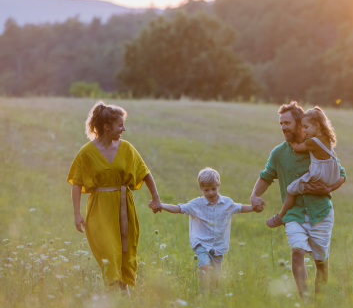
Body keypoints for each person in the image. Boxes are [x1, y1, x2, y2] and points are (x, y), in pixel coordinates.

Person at [250, 101, 347, 298]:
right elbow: (266, 176)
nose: (283, 127)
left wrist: (328, 188)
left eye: (287, 123)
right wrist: (254, 196)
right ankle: (304, 301)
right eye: (281, 124)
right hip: (293, 213)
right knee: (297, 251)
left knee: (321, 262)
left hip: (320, 212)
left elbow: (342, 174)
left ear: (299, 123)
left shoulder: (316, 146)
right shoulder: (278, 153)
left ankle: (318, 306)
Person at [68, 101, 162, 294]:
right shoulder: (86, 152)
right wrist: (77, 214)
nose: (124, 129)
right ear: (106, 127)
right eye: (120, 125)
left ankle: (124, 292)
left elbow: (145, 173)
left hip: (123, 206)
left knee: (125, 249)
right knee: (108, 251)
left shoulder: (127, 148)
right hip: (99, 209)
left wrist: (156, 198)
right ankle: (112, 293)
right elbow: (76, 183)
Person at [158, 167, 257, 294]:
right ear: (201, 189)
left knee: (216, 278)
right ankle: (203, 294)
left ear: (218, 186)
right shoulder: (196, 204)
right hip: (201, 243)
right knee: (205, 267)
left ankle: (214, 296)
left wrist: (254, 208)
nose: (210, 193)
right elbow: (178, 208)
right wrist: (161, 205)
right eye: (206, 190)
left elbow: (240, 208)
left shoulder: (227, 203)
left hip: (218, 246)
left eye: (213, 189)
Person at [266, 107, 339, 228]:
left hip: (317, 174)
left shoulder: (313, 142)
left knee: (291, 189)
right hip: (331, 176)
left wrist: (289, 138)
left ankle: (281, 216)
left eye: (306, 127)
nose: (304, 131)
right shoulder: (327, 139)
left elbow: (297, 148)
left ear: (316, 125)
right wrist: (329, 188)